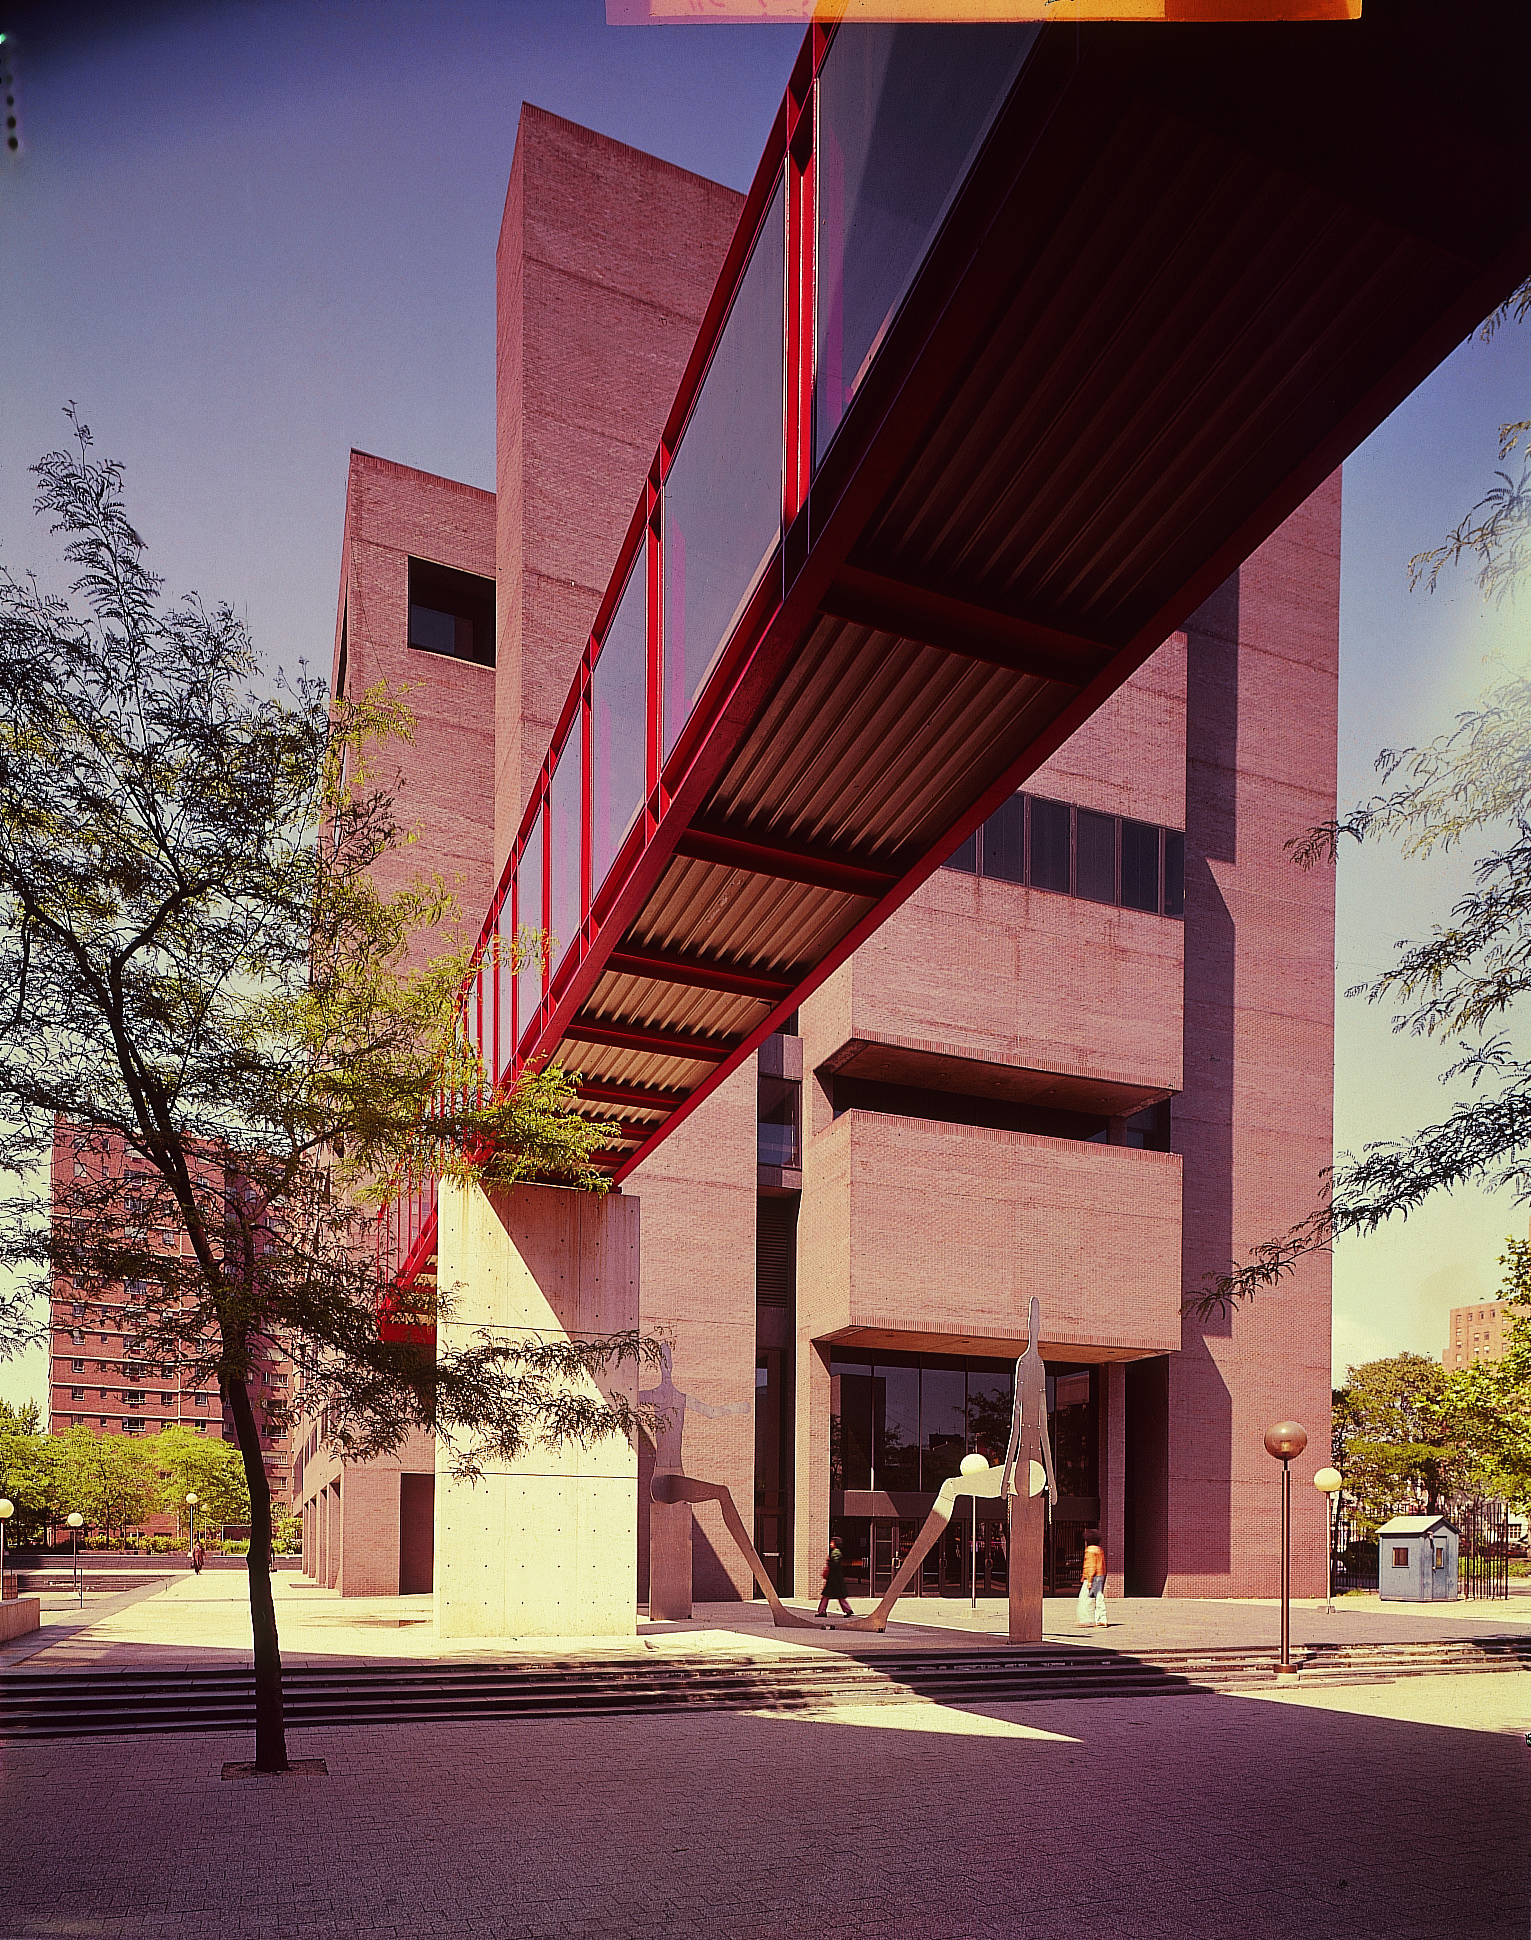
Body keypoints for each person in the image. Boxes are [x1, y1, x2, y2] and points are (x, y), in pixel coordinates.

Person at [816, 1539, 853, 1618]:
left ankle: (822, 1611)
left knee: (826, 1595)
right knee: (839, 1596)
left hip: (834, 1578)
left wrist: (829, 1561)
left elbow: (835, 1564)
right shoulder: (836, 1552)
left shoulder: (836, 1552)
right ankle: (847, 1610)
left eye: (832, 1542)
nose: (830, 1544)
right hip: (835, 1578)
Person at [1080, 1530, 1106, 1627]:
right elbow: (1102, 1564)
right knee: (1099, 1597)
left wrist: (1088, 1579)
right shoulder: (1099, 1550)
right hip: (1100, 1575)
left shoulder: (1089, 1550)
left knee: (1084, 1598)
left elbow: (1091, 1566)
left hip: (1092, 1577)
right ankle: (1102, 1619)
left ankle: (1085, 1620)